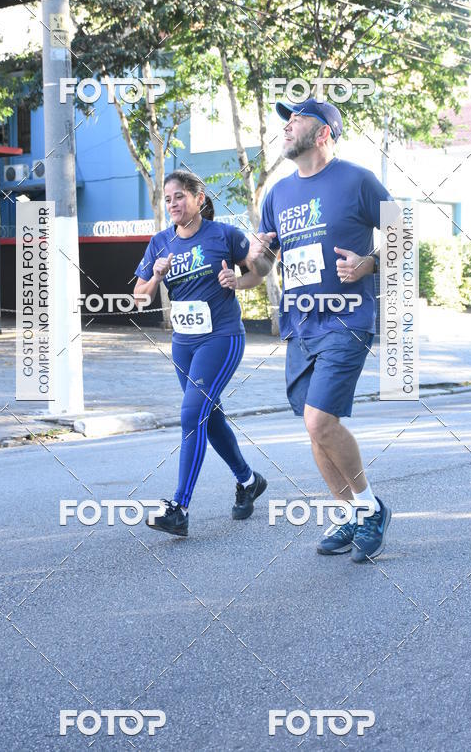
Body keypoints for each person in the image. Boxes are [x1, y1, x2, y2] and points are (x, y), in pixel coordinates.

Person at [246, 98, 394, 562]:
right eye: (286, 120)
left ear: (324, 132)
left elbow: (402, 237)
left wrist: (369, 263)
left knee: (319, 420)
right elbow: (262, 266)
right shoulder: (277, 193)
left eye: (297, 119)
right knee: (315, 430)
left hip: (348, 317)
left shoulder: (357, 180)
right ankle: (349, 513)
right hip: (302, 324)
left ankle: (370, 509)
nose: (287, 126)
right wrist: (243, 269)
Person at [133, 169, 267, 537]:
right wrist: (157, 275)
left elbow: (259, 272)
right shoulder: (160, 242)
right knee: (209, 416)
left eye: (180, 196)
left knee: (192, 413)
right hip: (184, 343)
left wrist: (237, 281)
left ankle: (179, 507)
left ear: (199, 199)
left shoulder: (224, 235)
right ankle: (248, 480)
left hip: (222, 337)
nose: (173, 204)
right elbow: (139, 297)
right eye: (169, 198)